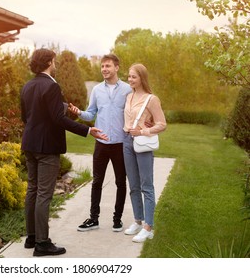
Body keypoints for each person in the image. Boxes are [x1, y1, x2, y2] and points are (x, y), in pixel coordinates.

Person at [20, 48, 108, 256]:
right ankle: (42, 243)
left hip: (29, 144)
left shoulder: (28, 85)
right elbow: (57, 119)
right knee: (43, 193)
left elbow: (27, 117)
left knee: (32, 190)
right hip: (47, 147)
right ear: (50, 62)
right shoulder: (51, 85)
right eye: (55, 61)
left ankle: (31, 237)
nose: (56, 64)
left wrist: (62, 107)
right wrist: (87, 130)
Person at [68, 54, 132, 232]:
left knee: (121, 182)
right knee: (97, 181)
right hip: (101, 144)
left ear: (116, 67)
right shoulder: (97, 90)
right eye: (102, 66)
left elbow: (134, 113)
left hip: (120, 144)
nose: (104, 69)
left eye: (108, 66)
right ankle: (93, 219)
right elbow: (91, 114)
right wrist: (79, 112)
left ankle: (117, 219)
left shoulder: (127, 90)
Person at [123, 63, 167, 243]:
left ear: (142, 78)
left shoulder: (151, 99)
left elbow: (162, 124)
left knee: (146, 186)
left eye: (133, 77)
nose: (130, 79)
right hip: (127, 142)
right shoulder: (128, 97)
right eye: (129, 76)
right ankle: (138, 221)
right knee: (133, 185)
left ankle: (148, 227)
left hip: (142, 143)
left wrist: (143, 132)